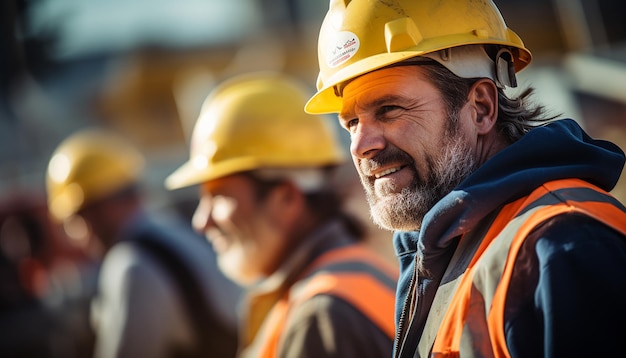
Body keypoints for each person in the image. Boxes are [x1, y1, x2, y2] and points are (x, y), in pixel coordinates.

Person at [304, 1, 626, 357]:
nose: (362, 145)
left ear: (481, 107)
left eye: (389, 109)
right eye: (351, 123)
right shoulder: (444, 255)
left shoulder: (563, 243)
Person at [165, 72, 398, 358]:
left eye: (219, 197)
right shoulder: (354, 273)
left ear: (287, 197)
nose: (202, 222)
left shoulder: (321, 315)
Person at [45, 128, 242, 358]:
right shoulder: (172, 230)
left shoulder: (131, 266)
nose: (75, 237)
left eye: (75, 221)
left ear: (98, 210)